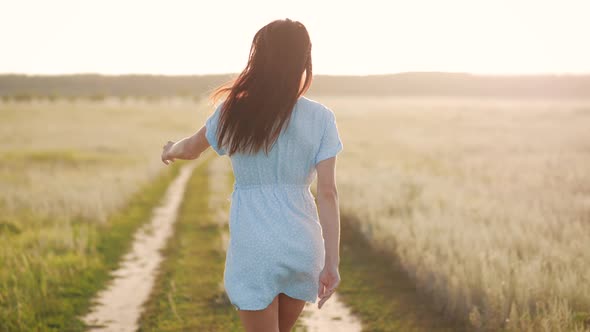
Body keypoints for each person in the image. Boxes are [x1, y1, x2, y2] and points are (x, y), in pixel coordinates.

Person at [160, 18, 343, 332]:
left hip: (254, 245)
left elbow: (191, 148)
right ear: (304, 60)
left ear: (258, 59)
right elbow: (328, 193)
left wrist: (169, 149)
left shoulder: (234, 111)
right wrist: (332, 263)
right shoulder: (322, 117)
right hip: (302, 245)